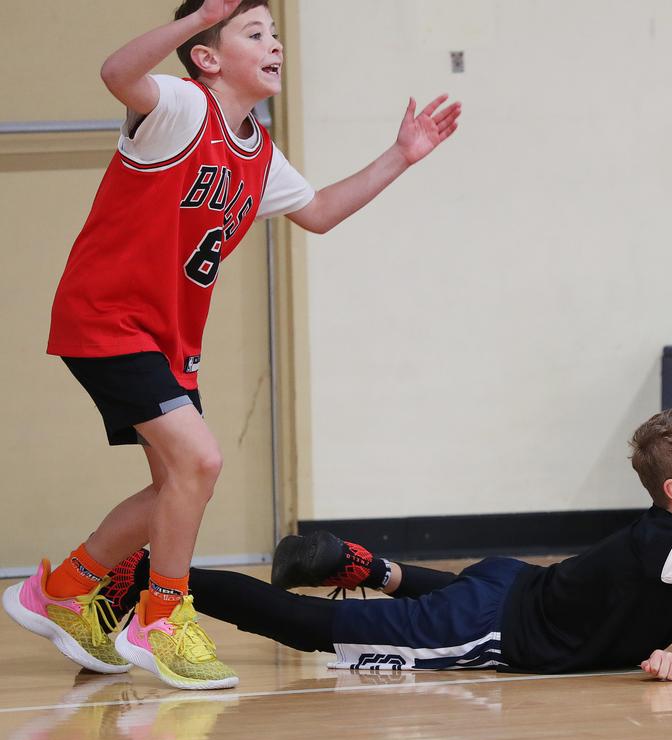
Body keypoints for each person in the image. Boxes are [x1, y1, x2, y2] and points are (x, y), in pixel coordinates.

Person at [2, 0, 459, 690]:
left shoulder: (258, 150)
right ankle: (161, 619)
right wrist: (192, 21)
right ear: (208, 57)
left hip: (168, 338)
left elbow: (320, 213)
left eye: (275, 32)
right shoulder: (182, 109)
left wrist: (401, 155)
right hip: (106, 318)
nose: (274, 43)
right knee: (202, 459)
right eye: (254, 32)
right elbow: (116, 71)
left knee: (173, 485)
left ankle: (62, 588)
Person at [102, 405, 672, 680]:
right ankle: (147, 576)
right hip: (488, 627)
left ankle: (370, 568)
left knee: (465, 589)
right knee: (310, 631)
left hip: (514, 583)